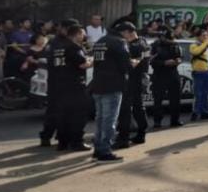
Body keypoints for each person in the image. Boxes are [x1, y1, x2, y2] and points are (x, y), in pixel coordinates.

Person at [89, 22, 135, 162]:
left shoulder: (100, 41)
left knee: (100, 119)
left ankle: (98, 149)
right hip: (113, 85)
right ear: (126, 32)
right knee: (110, 120)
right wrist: (132, 64)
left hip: (98, 83)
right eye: (131, 34)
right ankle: (105, 151)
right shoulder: (119, 42)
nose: (131, 37)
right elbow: (125, 65)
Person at [54, 24, 93, 152]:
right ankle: (77, 142)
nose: (84, 36)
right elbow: (83, 65)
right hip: (75, 85)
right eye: (82, 33)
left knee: (64, 114)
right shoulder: (73, 47)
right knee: (79, 115)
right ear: (76, 35)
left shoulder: (58, 46)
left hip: (60, 85)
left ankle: (63, 142)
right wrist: (93, 61)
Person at [40, 19, 78, 147]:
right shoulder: (62, 43)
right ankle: (49, 136)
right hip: (60, 80)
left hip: (59, 79)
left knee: (59, 110)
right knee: (57, 110)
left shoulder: (55, 42)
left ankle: (57, 136)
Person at [115, 31, 150, 148]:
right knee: (138, 107)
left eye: (122, 34)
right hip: (138, 79)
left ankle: (133, 134)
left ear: (127, 33)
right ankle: (140, 133)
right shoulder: (143, 42)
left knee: (131, 108)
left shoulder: (137, 45)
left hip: (135, 79)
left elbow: (131, 61)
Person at [149, 27, 183, 128]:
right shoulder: (155, 46)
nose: (171, 41)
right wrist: (164, 63)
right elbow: (151, 61)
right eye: (169, 39)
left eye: (172, 39)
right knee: (158, 100)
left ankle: (175, 120)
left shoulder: (175, 45)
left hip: (173, 73)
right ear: (163, 38)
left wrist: (177, 61)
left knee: (175, 99)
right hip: (159, 75)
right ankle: (157, 121)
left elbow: (179, 57)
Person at [189, 27, 208, 121]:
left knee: (205, 93)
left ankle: (204, 112)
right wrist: (206, 43)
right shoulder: (194, 45)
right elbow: (195, 52)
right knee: (198, 94)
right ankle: (195, 112)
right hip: (199, 72)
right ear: (198, 36)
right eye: (203, 35)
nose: (206, 37)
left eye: (206, 35)